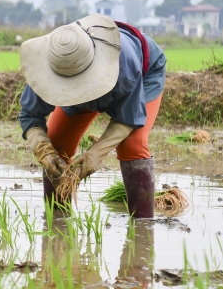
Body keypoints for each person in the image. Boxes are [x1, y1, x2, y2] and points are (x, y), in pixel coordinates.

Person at [18, 14, 166, 218]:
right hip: (85, 77)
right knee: (57, 143)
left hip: (143, 74)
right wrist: (44, 151)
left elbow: (127, 119)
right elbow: (29, 115)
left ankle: (142, 224)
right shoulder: (50, 65)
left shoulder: (125, 70)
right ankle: (57, 219)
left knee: (133, 144)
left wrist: (94, 156)